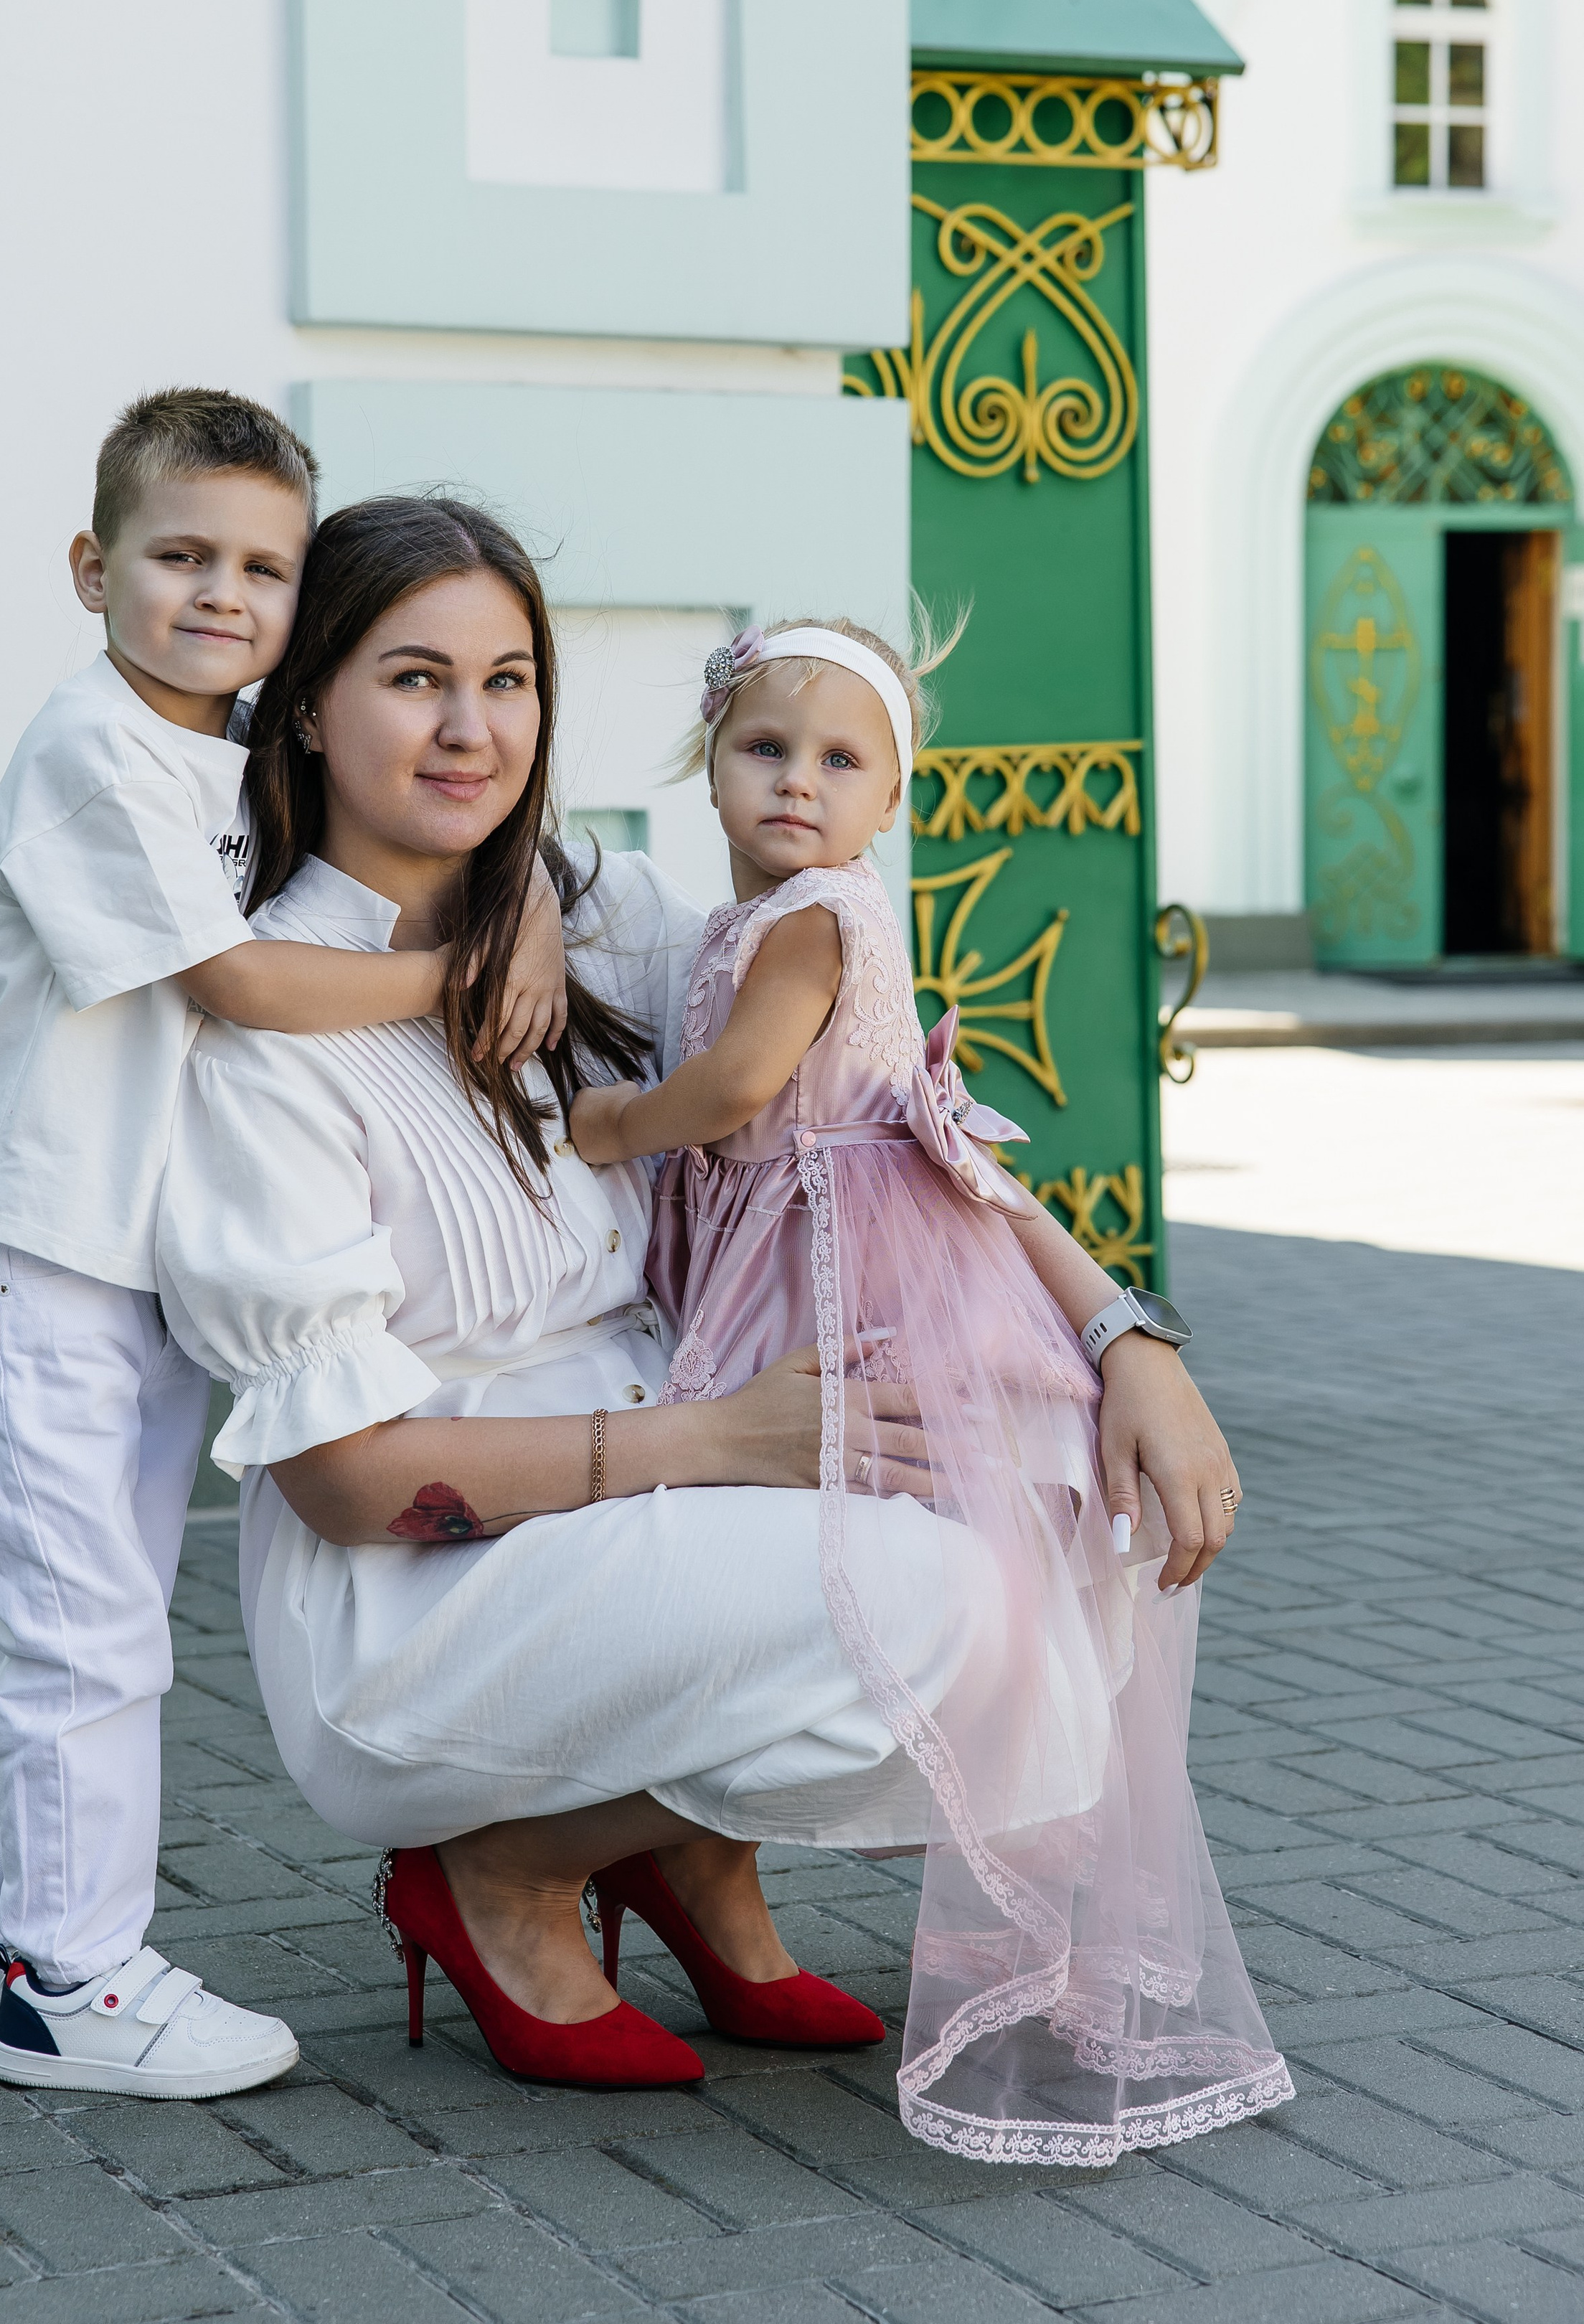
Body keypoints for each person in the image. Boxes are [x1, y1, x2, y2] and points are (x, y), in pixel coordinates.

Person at [154, 499, 1291, 2158]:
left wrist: (1127, 1342)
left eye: (510, 679)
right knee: (933, 1599)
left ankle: (683, 1845)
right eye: (413, 678)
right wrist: (723, 1439)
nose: (472, 729)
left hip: (684, 1467)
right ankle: (509, 1863)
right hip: (424, 1593)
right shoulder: (265, 1036)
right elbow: (340, 1483)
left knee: (1048, 1522)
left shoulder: (596, 916)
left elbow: (892, 1109)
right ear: (311, 702)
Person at [568, 616, 1292, 2156]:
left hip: (840, 1253)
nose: (795, 784)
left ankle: (722, 1833)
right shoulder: (746, 918)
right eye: (764, 749)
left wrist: (617, 1123)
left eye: (841, 762)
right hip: (819, 1225)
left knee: (853, 1525)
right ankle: (688, 1845)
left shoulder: (812, 923)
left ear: (889, 804)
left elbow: (741, 1094)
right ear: (706, 768)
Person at [0, 394, 563, 2099]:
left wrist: (517, 902)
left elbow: (448, 784)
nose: (223, 595)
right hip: (32, 1261)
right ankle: (73, 1980)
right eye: (180, 555)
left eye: (264, 567)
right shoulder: (91, 754)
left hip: (119, 1275)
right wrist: (459, 982)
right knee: (87, 1641)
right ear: (90, 566)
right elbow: (240, 983)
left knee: (72, 1626)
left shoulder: (216, 743)